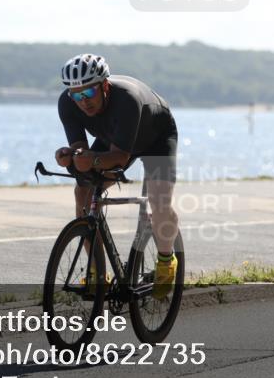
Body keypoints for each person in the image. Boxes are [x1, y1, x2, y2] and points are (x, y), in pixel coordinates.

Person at [53, 53, 180, 299]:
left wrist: (92, 159)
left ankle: (167, 260)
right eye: (77, 95)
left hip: (156, 136)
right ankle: (97, 270)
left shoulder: (126, 100)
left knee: (159, 202)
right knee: (83, 190)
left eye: (89, 93)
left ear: (105, 86)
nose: (83, 101)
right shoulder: (67, 103)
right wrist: (70, 156)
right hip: (117, 136)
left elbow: (120, 158)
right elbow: (82, 151)